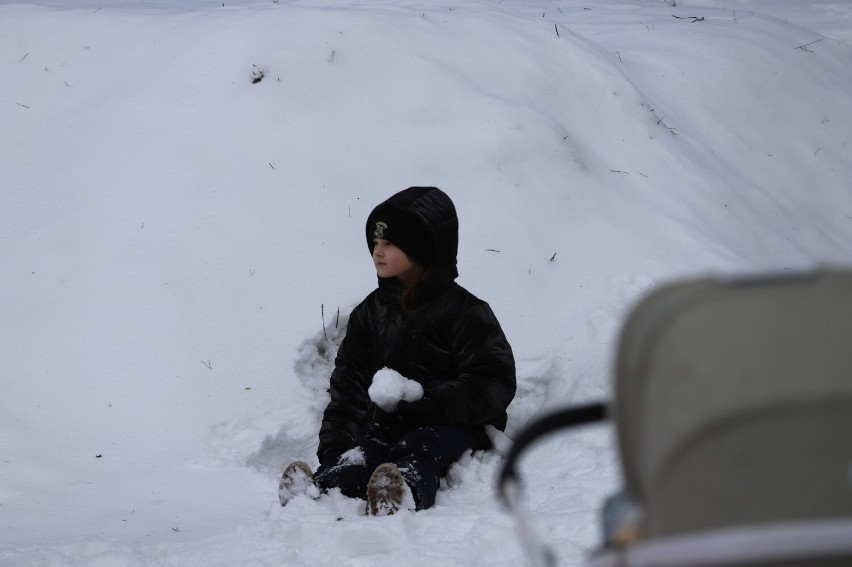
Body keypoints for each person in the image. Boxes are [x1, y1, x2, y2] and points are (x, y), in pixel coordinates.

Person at [279, 186, 516, 515]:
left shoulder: (464, 311)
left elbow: (493, 382)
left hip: (455, 425)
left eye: (389, 244)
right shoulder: (370, 313)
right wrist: (335, 450)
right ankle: (321, 490)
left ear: (423, 250)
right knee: (365, 447)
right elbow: (349, 385)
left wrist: (426, 402)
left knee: (420, 446)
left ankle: (401, 491)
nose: (377, 251)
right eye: (375, 243)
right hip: (388, 421)